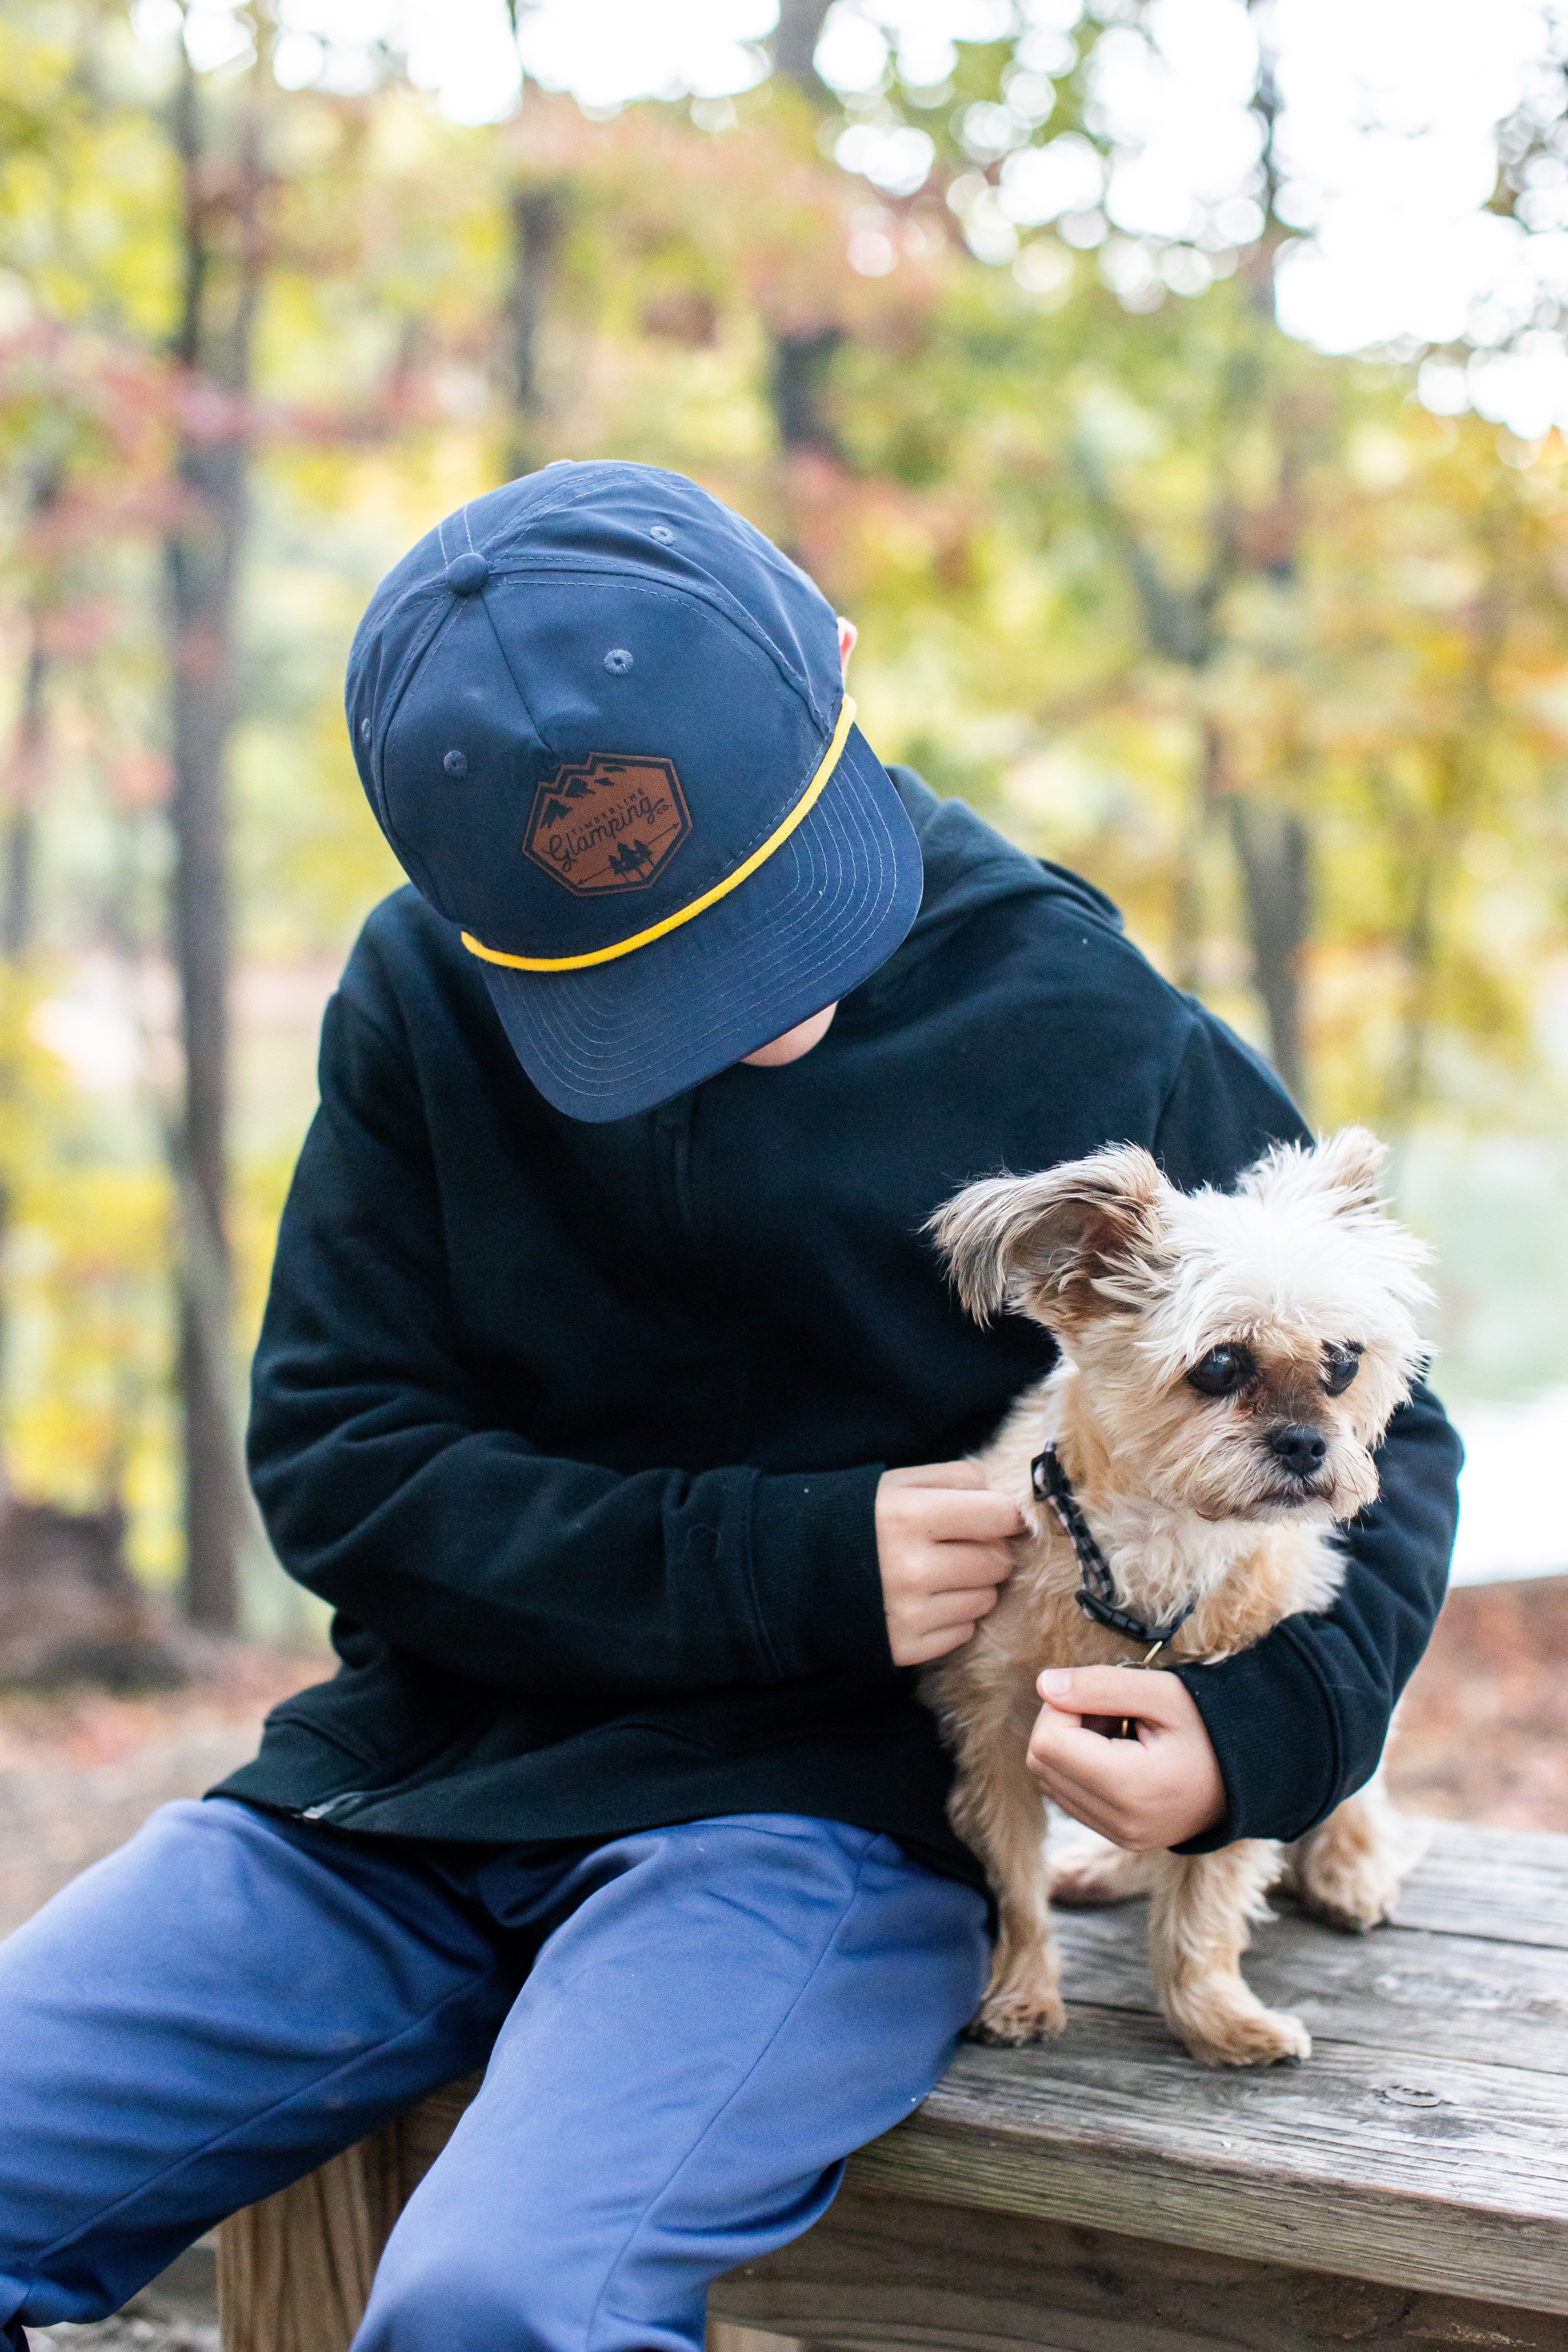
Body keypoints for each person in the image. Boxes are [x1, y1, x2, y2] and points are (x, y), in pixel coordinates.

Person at [0, 463, 1461, 2352]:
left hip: (813, 1830)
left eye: (775, 920)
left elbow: (1374, 1427)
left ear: (836, 668)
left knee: (497, 2311)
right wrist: (787, 1558)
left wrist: (1260, 1739)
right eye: (638, 983)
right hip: (409, 1785)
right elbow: (340, 1457)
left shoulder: (1079, 1007)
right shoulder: (419, 994)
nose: (746, 1021)